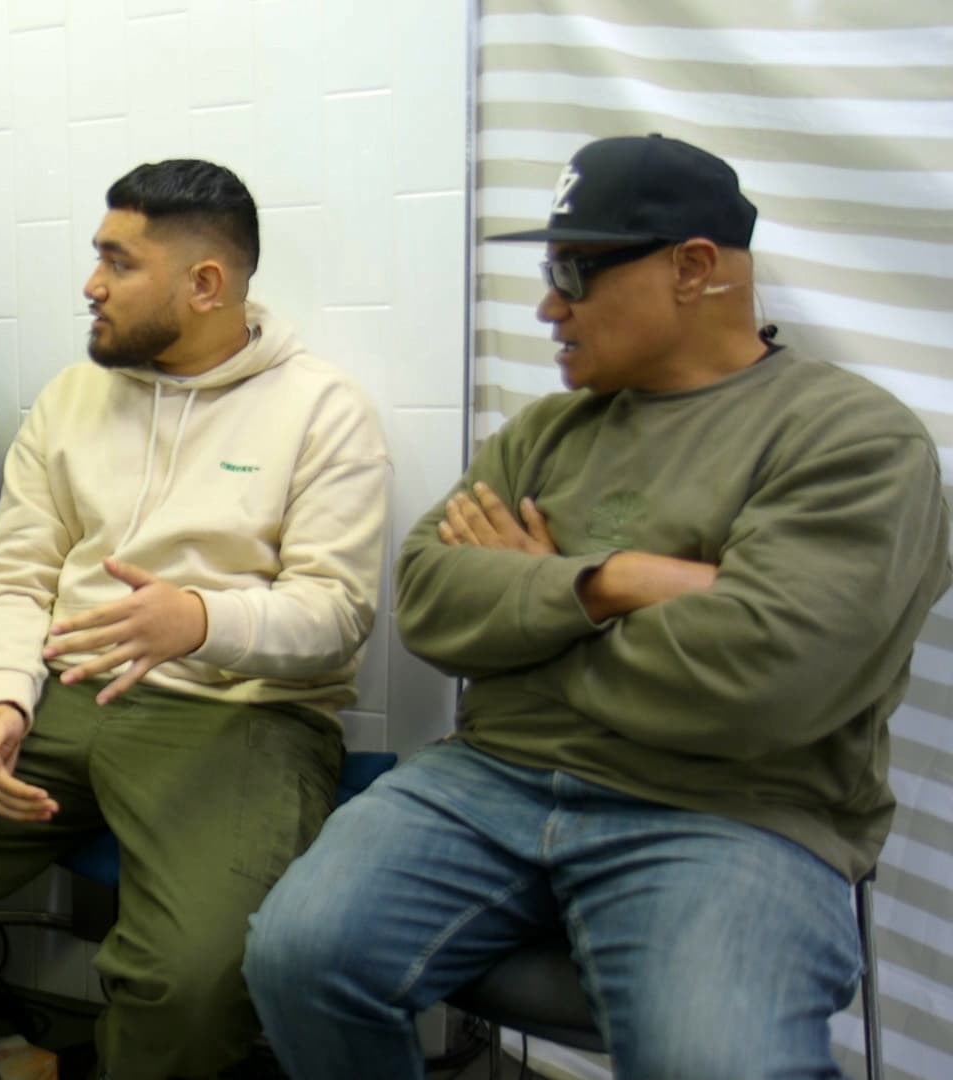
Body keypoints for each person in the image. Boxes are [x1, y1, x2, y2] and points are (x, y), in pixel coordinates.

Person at [244, 134, 953, 1080]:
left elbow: (767, 681)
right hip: (493, 779)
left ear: (693, 268)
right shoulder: (547, 429)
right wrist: (610, 582)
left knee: (714, 1062)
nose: (549, 306)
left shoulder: (853, 441)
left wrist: (530, 618)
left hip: (730, 809)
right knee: (296, 957)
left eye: (574, 272)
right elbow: (427, 602)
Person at [0, 159, 391, 1079]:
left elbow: (338, 612)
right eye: (97, 256)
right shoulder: (72, 398)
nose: (91, 284)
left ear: (205, 284)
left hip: (239, 714)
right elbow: (14, 574)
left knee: (190, 979)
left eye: (119, 263)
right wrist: (2, 697)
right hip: (63, 691)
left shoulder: (322, 411)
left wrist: (199, 620)